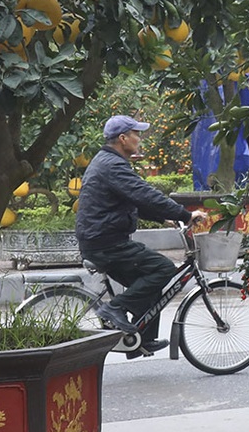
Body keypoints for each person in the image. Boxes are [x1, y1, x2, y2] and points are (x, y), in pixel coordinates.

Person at [76, 114, 206, 356]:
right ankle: (113, 309)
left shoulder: (108, 161)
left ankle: (141, 340)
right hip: (106, 244)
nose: (139, 139)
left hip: (101, 240)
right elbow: (145, 194)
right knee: (163, 269)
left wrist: (163, 217)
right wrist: (185, 214)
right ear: (123, 138)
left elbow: (135, 199)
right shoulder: (112, 165)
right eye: (136, 134)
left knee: (150, 279)